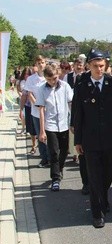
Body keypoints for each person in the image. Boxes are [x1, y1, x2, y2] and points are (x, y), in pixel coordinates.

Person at [73, 49, 112, 228]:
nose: (98, 69)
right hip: (90, 140)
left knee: (109, 172)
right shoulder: (81, 85)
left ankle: (102, 198)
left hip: (110, 138)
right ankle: (97, 213)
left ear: (106, 66)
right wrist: (78, 140)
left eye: (102, 66)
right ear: (89, 65)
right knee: (94, 176)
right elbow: (77, 115)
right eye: (95, 66)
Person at [35, 63, 73, 192]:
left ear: (58, 75)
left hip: (64, 124)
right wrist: (41, 131)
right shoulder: (41, 89)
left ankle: (59, 168)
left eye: (55, 78)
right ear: (45, 78)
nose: (52, 81)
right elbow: (41, 109)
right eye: (49, 79)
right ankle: (55, 179)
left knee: (64, 151)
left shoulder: (65, 86)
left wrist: (74, 122)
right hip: (50, 125)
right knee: (54, 152)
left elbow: (71, 103)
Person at [66, 57, 89, 194]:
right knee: (84, 156)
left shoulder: (108, 81)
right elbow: (75, 104)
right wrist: (73, 123)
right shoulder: (79, 80)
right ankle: (86, 183)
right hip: (83, 124)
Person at [24, 55, 49, 167]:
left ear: (45, 63)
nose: (41, 65)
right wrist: (37, 105)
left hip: (49, 111)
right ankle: (44, 158)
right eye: (38, 63)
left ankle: (52, 157)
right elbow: (29, 94)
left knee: (51, 135)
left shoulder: (49, 76)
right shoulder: (31, 79)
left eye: (42, 62)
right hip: (36, 112)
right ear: (36, 64)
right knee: (40, 135)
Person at [18, 67, 35, 148]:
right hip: (28, 105)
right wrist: (21, 109)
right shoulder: (22, 82)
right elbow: (23, 94)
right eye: (25, 74)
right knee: (30, 126)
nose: (26, 76)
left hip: (38, 106)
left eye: (28, 74)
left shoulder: (36, 81)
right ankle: (33, 144)